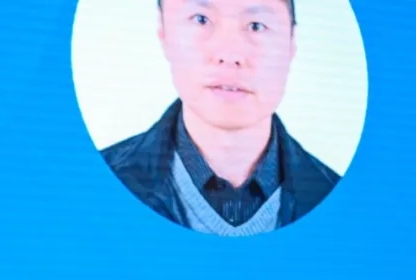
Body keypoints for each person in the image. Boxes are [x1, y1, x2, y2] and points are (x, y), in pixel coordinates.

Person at [101, 0, 340, 235]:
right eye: (201, 20)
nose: (230, 54)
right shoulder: (99, 189)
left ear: (291, 43)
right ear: (163, 33)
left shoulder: (341, 207)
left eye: (256, 25)